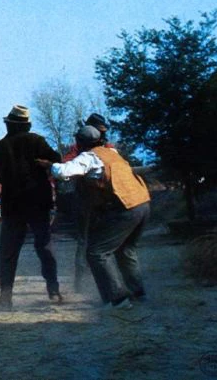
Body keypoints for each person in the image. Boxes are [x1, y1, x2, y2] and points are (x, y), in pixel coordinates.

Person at [38, 126, 151, 310]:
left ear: (80, 143)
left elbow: (63, 172)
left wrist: (49, 165)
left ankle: (118, 299)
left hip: (125, 207)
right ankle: (139, 294)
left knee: (97, 252)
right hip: (143, 203)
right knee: (125, 250)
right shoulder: (112, 153)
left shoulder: (89, 157)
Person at [0, 105, 62, 310]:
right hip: (38, 202)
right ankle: (53, 290)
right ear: (27, 125)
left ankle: (6, 295)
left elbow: (0, 177)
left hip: (13, 205)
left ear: (8, 124)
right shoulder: (37, 141)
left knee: (8, 251)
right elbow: (57, 161)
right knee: (45, 247)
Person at [61, 113, 116, 293]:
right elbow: (66, 166)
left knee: (103, 243)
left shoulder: (108, 148)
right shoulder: (79, 150)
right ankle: (81, 285)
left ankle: (107, 282)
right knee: (85, 243)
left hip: (105, 201)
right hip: (86, 201)